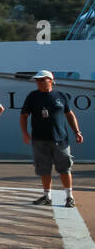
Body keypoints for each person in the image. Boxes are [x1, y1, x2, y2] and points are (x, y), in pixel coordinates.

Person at [20, 70, 83, 207]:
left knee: (65, 168)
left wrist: (77, 132)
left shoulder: (61, 95)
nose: (38, 82)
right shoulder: (32, 96)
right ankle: (47, 196)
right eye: (37, 80)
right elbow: (24, 115)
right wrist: (25, 133)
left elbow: (70, 115)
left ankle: (69, 197)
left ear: (50, 80)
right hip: (39, 139)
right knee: (44, 168)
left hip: (60, 139)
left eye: (42, 80)